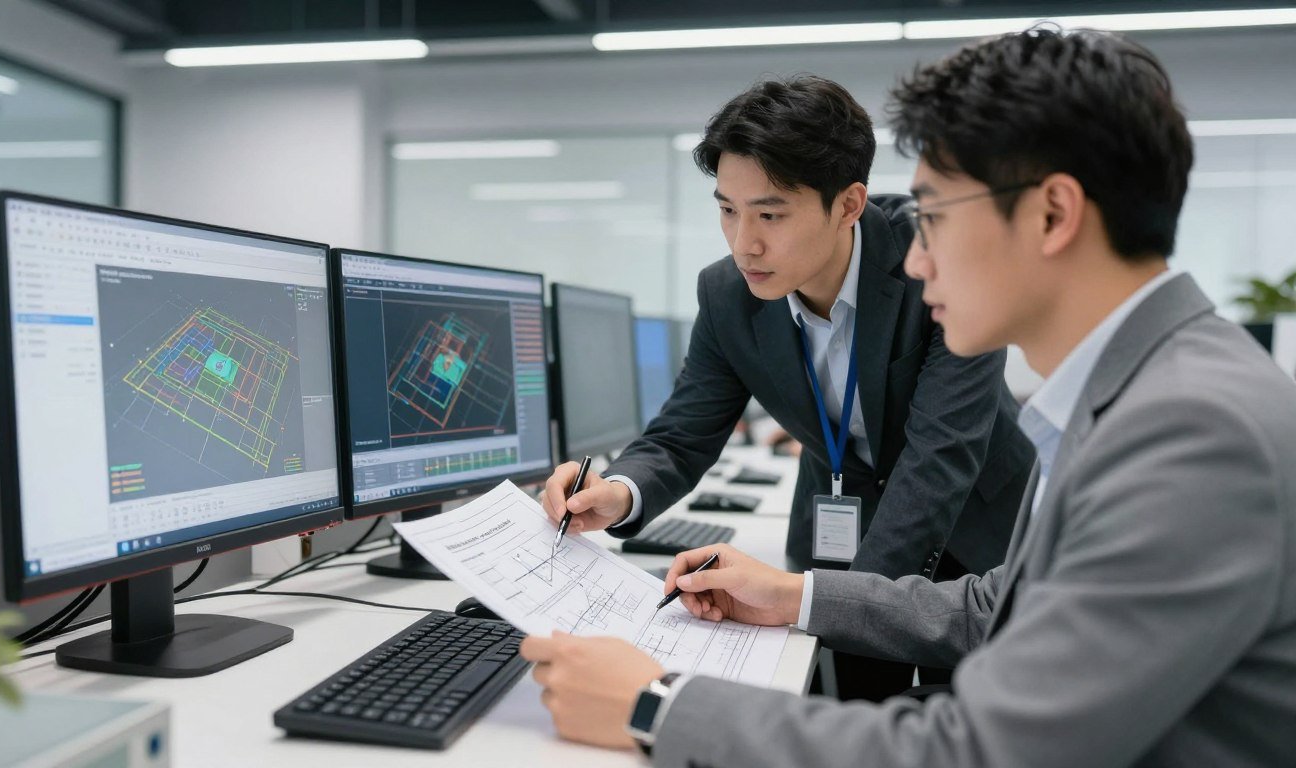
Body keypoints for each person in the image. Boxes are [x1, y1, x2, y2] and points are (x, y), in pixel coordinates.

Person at [521, 26, 1296, 766]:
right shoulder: (1138, 395)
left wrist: (654, 705)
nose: (916, 262)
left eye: (931, 218)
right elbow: (1002, 609)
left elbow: (985, 750)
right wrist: (800, 594)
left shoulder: (1193, 432)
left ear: (1052, 214)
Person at [541, 74, 1034, 701]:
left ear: (850, 206)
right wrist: (616, 491)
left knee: (968, 724)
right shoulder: (728, 293)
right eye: (727, 210)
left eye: (770, 213)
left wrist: (823, 603)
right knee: (841, 716)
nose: (745, 243)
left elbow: (941, 458)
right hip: (840, 534)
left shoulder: (937, 262)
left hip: (973, 537)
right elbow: (684, 431)